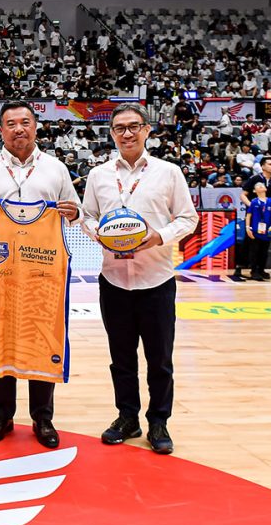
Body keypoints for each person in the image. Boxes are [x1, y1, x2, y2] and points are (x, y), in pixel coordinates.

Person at [0, 101, 81, 449]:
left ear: (36, 127)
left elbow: (77, 213)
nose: (18, 129)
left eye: (25, 122)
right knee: (1, 340)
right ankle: (2, 416)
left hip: (44, 274)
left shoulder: (56, 169)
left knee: (43, 337)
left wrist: (72, 213)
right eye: (11, 123)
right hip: (2, 274)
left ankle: (43, 418)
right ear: (0, 130)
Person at [80, 103, 198, 455]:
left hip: (156, 279)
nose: (127, 133)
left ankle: (159, 421)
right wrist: (98, 234)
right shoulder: (98, 175)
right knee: (121, 357)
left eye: (134, 126)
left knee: (160, 358)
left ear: (147, 130)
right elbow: (87, 216)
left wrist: (158, 237)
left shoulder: (168, 172)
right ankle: (127, 416)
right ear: (112, 133)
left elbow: (187, 218)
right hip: (114, 279)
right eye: (119, 128)